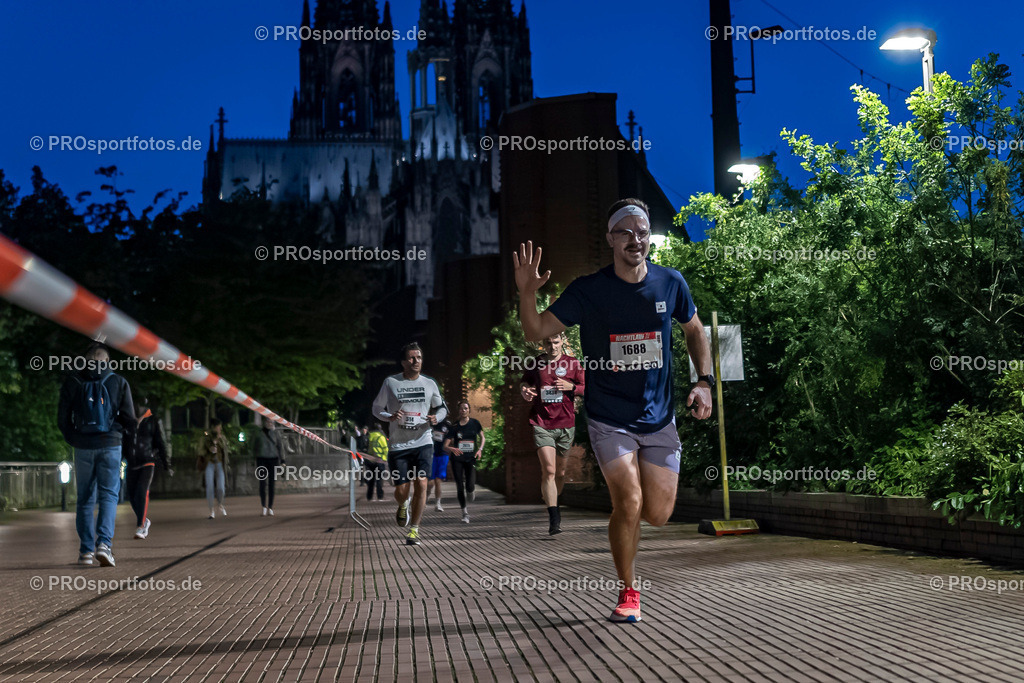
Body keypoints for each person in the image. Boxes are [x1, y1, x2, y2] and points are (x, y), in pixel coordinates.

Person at [512, 198, 714, 623]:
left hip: (659, 417)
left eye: (642, 232)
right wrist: (527, 292)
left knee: (657, 513)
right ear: (610, 238)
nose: (635, 240)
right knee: (629, 500)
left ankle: (635, 532)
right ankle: (628, 591)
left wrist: (704, 382)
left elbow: (694, 329)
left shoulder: (670, 283)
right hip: (609, 418)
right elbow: (535, 331)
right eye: (625, 232)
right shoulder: (588, 291)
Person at [57, 341, 136, 567]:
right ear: (107, 361)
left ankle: (85, 553)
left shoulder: (72, 381)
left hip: (82, 446)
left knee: (84, 499)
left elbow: (62, 419)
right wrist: (118, 435)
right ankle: (104, 545)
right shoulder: (118, 381)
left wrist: (75, 439)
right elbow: (129, 419)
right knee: (108, 496)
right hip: (110, 445)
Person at [371, 342, 448, 546]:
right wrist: (389, 416)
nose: (416, 361)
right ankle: (403, 503)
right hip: (399, 445)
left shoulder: (429, 383)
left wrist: (436, 418)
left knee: (422, 483)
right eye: (412, 358)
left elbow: (442, 408)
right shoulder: (391, 382)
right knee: (402, 490)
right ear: (404, 362)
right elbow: (376, 408)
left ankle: (414, 530)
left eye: (419, 357)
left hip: (424, 441)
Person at [521, 333, 585, 535]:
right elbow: (524, 383)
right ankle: (554, 516)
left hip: (566, 424)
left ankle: (551, 498)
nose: (552, 346)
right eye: (548, 343)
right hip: (542, 422)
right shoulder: (536, 363)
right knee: (549, 470)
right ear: (543, 344)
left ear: (562, 342)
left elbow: (587, 387)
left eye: (556, 342)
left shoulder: (572, 363)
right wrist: (525, 390)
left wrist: (571, 387)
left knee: (560, 473)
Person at [127, 396, 173, 540]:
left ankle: (141, 526)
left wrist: (167, 464)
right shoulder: (128, 421)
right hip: (131, 462)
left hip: (147, 461)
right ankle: (145, 520)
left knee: (142, 491)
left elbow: (161, 443)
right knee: (132, 496)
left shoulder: (153, 420)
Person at [443, 400, 485, 524]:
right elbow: (445, 446)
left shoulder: (475, 423)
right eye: (461, 409)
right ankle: (464, 513)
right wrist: (451, 448)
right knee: (460, 486)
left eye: (466, 408)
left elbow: (482, 437)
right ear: (459, 411)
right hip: (457, 459)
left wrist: (480, 450)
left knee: (470, 485)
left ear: (469, 410)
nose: (463, 410)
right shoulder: (454, 427)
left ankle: (471, 491)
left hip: (470, 458)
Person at [197, 419, 232, 519]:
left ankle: (221, 504)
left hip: (220, 464)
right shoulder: (206, 438)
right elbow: (201, 450)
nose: (219, 429)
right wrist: (210, 448)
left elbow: (226, 451)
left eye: (220, 427)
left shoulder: (223, 438)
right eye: (217, 427)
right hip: (209, 463)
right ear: (213, 427)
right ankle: (211, 510)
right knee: (210, 487)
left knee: (221, 487)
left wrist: (219, 442)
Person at [255, 419, 284, 516]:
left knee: (272, 484)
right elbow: (254, 446)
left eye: (271, 422)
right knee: (262, 484)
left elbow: (280, 447)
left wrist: (282, 460)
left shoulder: (276, 434)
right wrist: (254, 457)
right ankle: (263, 506)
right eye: (267, 421)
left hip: (273, 459)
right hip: (261, 459)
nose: (269, 423)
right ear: (264, 422)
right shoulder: (259, 433)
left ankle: (270, 507)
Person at [427, 416, 451, 511]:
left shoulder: (447, 424)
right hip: (431, 454)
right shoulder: (429, 423)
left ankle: (438, 504)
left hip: (443, 455)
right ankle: (426, 495)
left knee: (438, 481)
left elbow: (452, 439)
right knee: (430, 482)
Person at [366, 424, 389, 501]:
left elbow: (369, 449)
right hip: (380, 461)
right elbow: (385, 449)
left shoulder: (370, 437)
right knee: (379, 480)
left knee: (371, 480)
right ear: (379, 429)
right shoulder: (381, 437)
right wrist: (385, 459)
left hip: (371, 461)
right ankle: (380, 497)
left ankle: (369, 497)